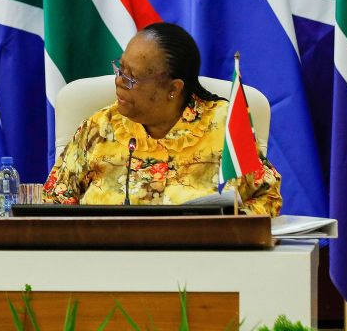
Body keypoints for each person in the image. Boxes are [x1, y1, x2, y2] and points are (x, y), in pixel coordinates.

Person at [43, 22, 281, 215]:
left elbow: (266, 197)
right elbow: (54, 201)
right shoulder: (99, 128)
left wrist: (228, 233)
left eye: (131, 78)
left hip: (201, 265)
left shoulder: (223, 127)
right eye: (120, 69)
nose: (118, 81)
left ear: (174, 89)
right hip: (105, 265)